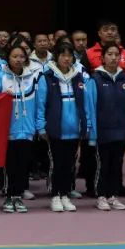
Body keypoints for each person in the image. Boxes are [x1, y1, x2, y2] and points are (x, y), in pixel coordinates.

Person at [0, 43, 39, 213]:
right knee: (9, 166)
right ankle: (8, 196)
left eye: (22, 56)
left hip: (27, 130)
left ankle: (18, 196)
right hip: (7, 131)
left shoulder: (32, 78)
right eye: (15, 56)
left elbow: (38, 104)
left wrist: (37, 126)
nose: (18, 59)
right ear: (8, 58)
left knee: (23, 166)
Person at [35, 41, 86, 213]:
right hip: (55, 130)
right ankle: (55, 195)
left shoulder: (78, 77)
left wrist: (84, 125)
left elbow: (84, 104)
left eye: (69, 55)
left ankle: (65, 194)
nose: (66, 58)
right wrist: (41, 127)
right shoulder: (47, 78)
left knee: (69, 165)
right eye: (63, 55)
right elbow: (40, 104)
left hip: (74, 130)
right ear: (56, 57)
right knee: (56, 164)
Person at [83, 43, 125, 212]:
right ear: (102, 58)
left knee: (116, 165)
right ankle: (101, 195)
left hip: (120, 131)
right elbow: (90, 106)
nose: (113, 57)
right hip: (102, 131)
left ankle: (112, 195)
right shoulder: (95, 79)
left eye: (116, 54)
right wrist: (91, 130)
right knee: (102, 165)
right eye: (110, 54)